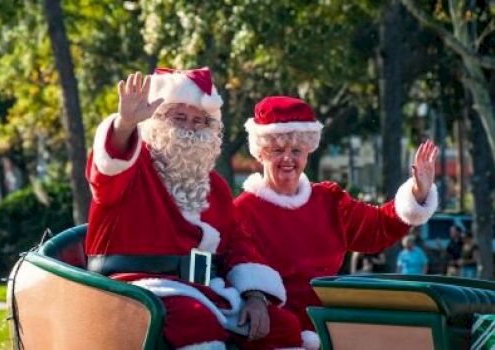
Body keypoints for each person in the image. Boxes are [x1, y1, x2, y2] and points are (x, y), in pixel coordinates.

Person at [85, 69, 303, 349]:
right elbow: (106, 170)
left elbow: (237, 243)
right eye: (179, 117)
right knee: (196, 321)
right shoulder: (132, 165)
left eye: (198, 121)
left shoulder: (214, 185)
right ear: (156, 119)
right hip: (133, 289)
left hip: (203, 291)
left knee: (281, 326)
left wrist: (255, 295)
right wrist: (125, 125)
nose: (189, 128)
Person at [233, 96, 439, 349]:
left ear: (307, 154)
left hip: (330, 332)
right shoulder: (243, 211)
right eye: (278, 150)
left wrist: (418, 193)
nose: (288, 158)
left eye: (296, 151)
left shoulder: (329, 201)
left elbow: (377, 227)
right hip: (271, 337)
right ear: (261, 154)